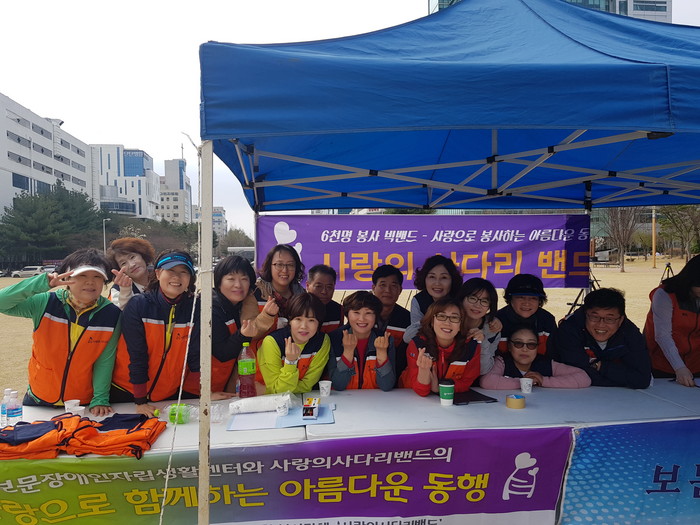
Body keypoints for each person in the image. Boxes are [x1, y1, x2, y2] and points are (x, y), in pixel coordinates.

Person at [0, 248, 121, 416]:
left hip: (81, 404)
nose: (90, 282)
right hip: (39, 399)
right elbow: (2, 302)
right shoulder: (45, 303)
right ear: (67, 278)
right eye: (82, 276)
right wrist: (42, 283)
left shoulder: (111, 314)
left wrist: (100, 398)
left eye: (97, 277)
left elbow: (105, 360)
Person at [113, 251, 225, 416]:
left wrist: (205, 392)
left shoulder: (196, 308)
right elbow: (136, 355)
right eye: (171, 270)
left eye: (183, 272)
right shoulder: (139, 305)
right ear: (158, 273)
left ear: (191, 278)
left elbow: (195, 356)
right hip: (127, 393)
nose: (177, 277)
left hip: (166, 395)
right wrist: (140, 402)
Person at [182, 255, 274, 395]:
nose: (238, 285)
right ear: (219, 282)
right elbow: (222, 353)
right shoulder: (210, 309)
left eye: (244, 279)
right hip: (195, 391)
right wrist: (243, 335)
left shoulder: (237, 306)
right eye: (231, 279)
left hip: (216, 387)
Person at [549, 288, 651, 389]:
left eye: (609, 319)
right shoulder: (569, 329)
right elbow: (573, 371)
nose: (601, 324)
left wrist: (599, 366)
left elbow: (642, 379)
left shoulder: (630, 332)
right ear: (585, 314)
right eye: (594, 317)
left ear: (621, 320)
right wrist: (621, 376)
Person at [404, 298, 480, 396]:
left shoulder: (471, 347)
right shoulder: (418, 344)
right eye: (441, 316)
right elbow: (421, 391)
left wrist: (439, 387)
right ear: (432, 322)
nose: (447, 323)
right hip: (408, 397)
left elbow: (466, 383)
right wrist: (424, 370)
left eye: (454, 318)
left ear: (461, 324)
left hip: (449, 400)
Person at [258, 293, 331, 394]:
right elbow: (278, 391)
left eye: (311, 320)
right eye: (298, 319)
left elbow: (307, 385)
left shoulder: (322, 341)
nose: (304, 326)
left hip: (301, 398)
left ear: (319, 323)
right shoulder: (272, 342)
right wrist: (290, 362)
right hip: (263, 399)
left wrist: (285, 389)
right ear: (290, 320)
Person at [644, 255, 700, 386]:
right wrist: (679, 368)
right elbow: (663, 335)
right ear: (690, 281)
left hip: (696, 364)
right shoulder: (664, 295)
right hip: (661, 365)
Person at [480, 327, 591, 389]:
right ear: (509, 346)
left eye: (531, 345)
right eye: (518, 344)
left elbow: (584, 378)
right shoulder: (501, 361)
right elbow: (486, 381)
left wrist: (543, 380)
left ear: (537, 347)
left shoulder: (547, 363)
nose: (525, 349)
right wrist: (525, 382)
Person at [327, 291, 396, 391]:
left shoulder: (386, 340)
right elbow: (338, 385)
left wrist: (382, 353)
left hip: (376, 399)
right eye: (356, 312)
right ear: (347, 314)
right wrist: (348, 352)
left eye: (368, 313)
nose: (362, 319)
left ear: (376, 316)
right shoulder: (334, 339)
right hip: (343, 399)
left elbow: (387, 386)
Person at [403, 255, 462, 344]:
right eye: (432, 277)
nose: (437, 283)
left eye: (444, 278)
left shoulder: (461, 299)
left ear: (452, 280)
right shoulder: (419, 300)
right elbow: (409, 337)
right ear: (424, 278)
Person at [496, 274, 557, 355]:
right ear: (510, 298)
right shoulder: (495, 321)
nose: (527, 303)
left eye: (533, 298)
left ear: (539, 301)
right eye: (521, 297)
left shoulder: (547, 320)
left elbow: (554, 354)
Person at [371, 265, 411, 385]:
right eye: (382, 285)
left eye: (393, 286)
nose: (387, 290)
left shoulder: (408, 319)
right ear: (373, 288)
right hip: (366, 382)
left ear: (400, 290)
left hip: (397, 384)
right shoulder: (362, 317)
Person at [456, 278, 502, 375]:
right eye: (473, 298)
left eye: (484, 301)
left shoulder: (493, 330)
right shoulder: (449, 322)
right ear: (461, 299)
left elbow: (483, 370)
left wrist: (482, 341)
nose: (477, 305)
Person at [254, 244, 305, 322]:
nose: (285, 270)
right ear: (269, 266)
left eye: (290, 265)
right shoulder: (256, 293)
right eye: (279, 264)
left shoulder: (301, 295)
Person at [107, 237, 156, 309]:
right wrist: (125, 292)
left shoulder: (160, 275)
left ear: (143, 255)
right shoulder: (117, 291)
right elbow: (121, 312)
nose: (131, 265)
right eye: (123, 263)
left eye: (132, 257)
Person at [306, 264, 343, 333]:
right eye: (318, 286)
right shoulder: (297, 307)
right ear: (307, 286)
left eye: (329, 287)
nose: (324, 292)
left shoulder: (338, 310)